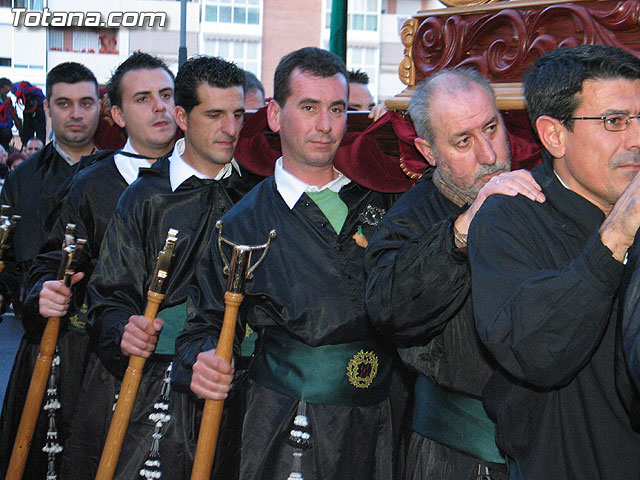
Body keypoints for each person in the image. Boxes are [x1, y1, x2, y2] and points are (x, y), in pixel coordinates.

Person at [172, 47, 397, 479]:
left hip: (381, 419)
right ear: (275, 115)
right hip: (281, 423)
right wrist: (201, 361)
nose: (325, 125)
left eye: (337, 108)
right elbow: (204, 327)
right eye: (308, 107)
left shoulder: (384, 197)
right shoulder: (241, 224)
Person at [74, 54, 261, 480]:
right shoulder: (142, 197)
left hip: (242, 387)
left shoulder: (259, 196)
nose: (230, 129)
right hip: (155, 387)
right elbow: (108, 297)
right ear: (181, 115)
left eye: (237, 114)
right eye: (214, 115)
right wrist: (124, 327)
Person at [468, 44, 640, 479]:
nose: (636, 139)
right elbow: (536, 352)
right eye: (614, 121)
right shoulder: (510, 217)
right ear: (553, 135)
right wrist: (616, 236)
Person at [365, 68, 545, 479]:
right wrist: (461, 231)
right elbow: (387, 308)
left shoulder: (538, 195)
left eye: (491, 128)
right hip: (454, 454)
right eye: (463, 141)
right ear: (429, 152)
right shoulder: (407, 220)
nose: (489, 154)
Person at [14, 51, 178, 480]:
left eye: (166, 94)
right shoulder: (92, 183)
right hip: (96, 366)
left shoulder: (207, 178)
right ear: (118, 115)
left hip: (179, 367)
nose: (160, 107)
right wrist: (44, 291)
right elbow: (54, 259)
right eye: (143, 99)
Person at [0, 61, 101, 480]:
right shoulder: (21, 180)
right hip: (40, 344)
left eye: (85, 103)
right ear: (48, 110)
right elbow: (12, 268)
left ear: (102, 107)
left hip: (103, 348)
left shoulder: (128, 176)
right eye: (64, 103)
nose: (75, 114)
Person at [0, 77, 46, 145]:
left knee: (39, 129)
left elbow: (37, 92)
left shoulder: (20, 86)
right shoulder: (14, 90)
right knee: (27, 129)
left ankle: (40, 147)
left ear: (5, 87)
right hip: (29, 108)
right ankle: (27, 146)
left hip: (37, 107)